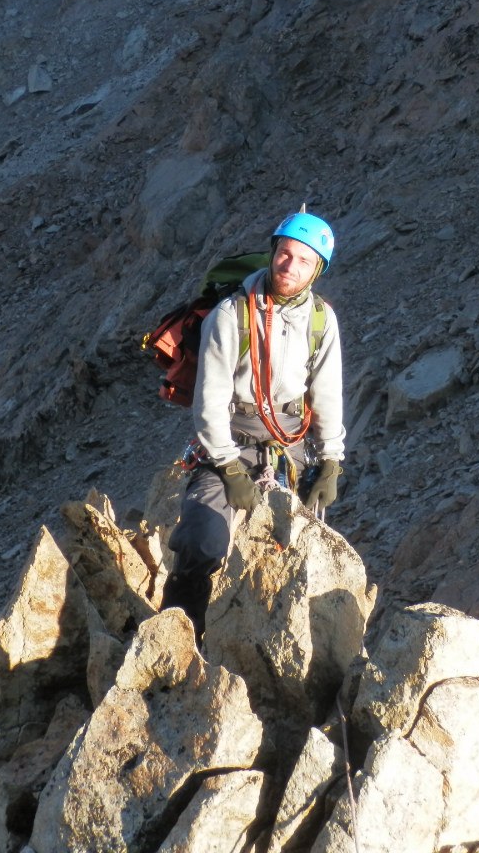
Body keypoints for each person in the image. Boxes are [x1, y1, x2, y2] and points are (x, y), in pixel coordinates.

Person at [161, 209, 345, 637]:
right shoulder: (231, 314)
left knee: (298, 555)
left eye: (303, 260)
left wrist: (332, 461)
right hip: (232, 437)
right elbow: (209, 401)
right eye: (284, 254)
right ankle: (177, 638)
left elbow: (327, 393)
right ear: (272, 252)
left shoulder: (321, 321)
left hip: (291, 444)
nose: (289, 266)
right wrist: (227, 469)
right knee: (200, 542)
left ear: (317, 269)